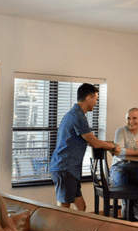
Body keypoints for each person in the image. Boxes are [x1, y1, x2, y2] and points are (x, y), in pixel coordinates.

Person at [49, 83, 121, 211]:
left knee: (81, 208)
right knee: (63, 210)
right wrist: (112, 146)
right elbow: (94, 142)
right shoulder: (77, 116)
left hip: (69, 169)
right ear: (89, 98)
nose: (96, 102)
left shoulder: (76, 114)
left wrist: (110, 144)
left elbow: (89, 140)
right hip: (65, 168)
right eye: (96, 99)